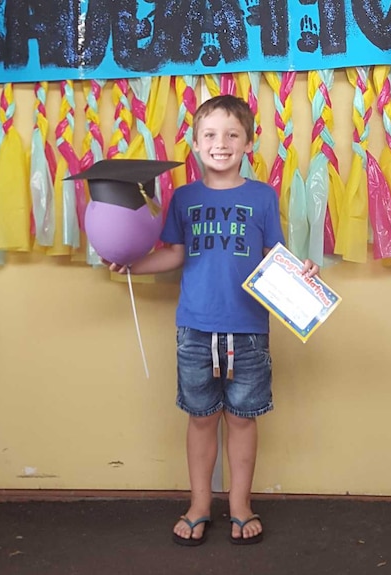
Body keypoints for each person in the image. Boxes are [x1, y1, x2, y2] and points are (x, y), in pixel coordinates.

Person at [104, 95, 319, 546]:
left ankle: (239, 504)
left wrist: (304, 271)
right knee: (201, 417)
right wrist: (132, 265)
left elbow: (271, 257)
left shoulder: (262, 196)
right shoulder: (184, 198)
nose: (220, 143)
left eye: (231, 135)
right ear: (196, 145)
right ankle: (200, 503)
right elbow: (174, 254)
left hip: (249, 330)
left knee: (242, 418)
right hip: (195, 330)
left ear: (247, 142)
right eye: (210, 135)